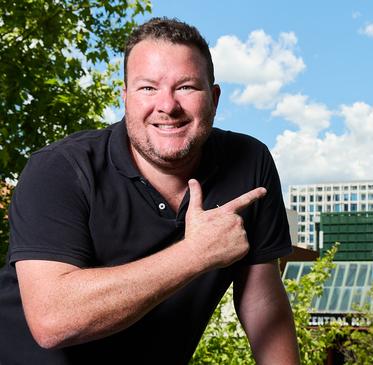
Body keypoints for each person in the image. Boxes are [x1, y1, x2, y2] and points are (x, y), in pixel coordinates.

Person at [0, 17, 299, 364]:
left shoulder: (250, 162)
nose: (167, 106)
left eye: (186, 87)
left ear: (214, 99)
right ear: (125, 98)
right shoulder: (60, 168)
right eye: (148, 88)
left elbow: (261, 301)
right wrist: (194, 254)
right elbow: (53, 321)